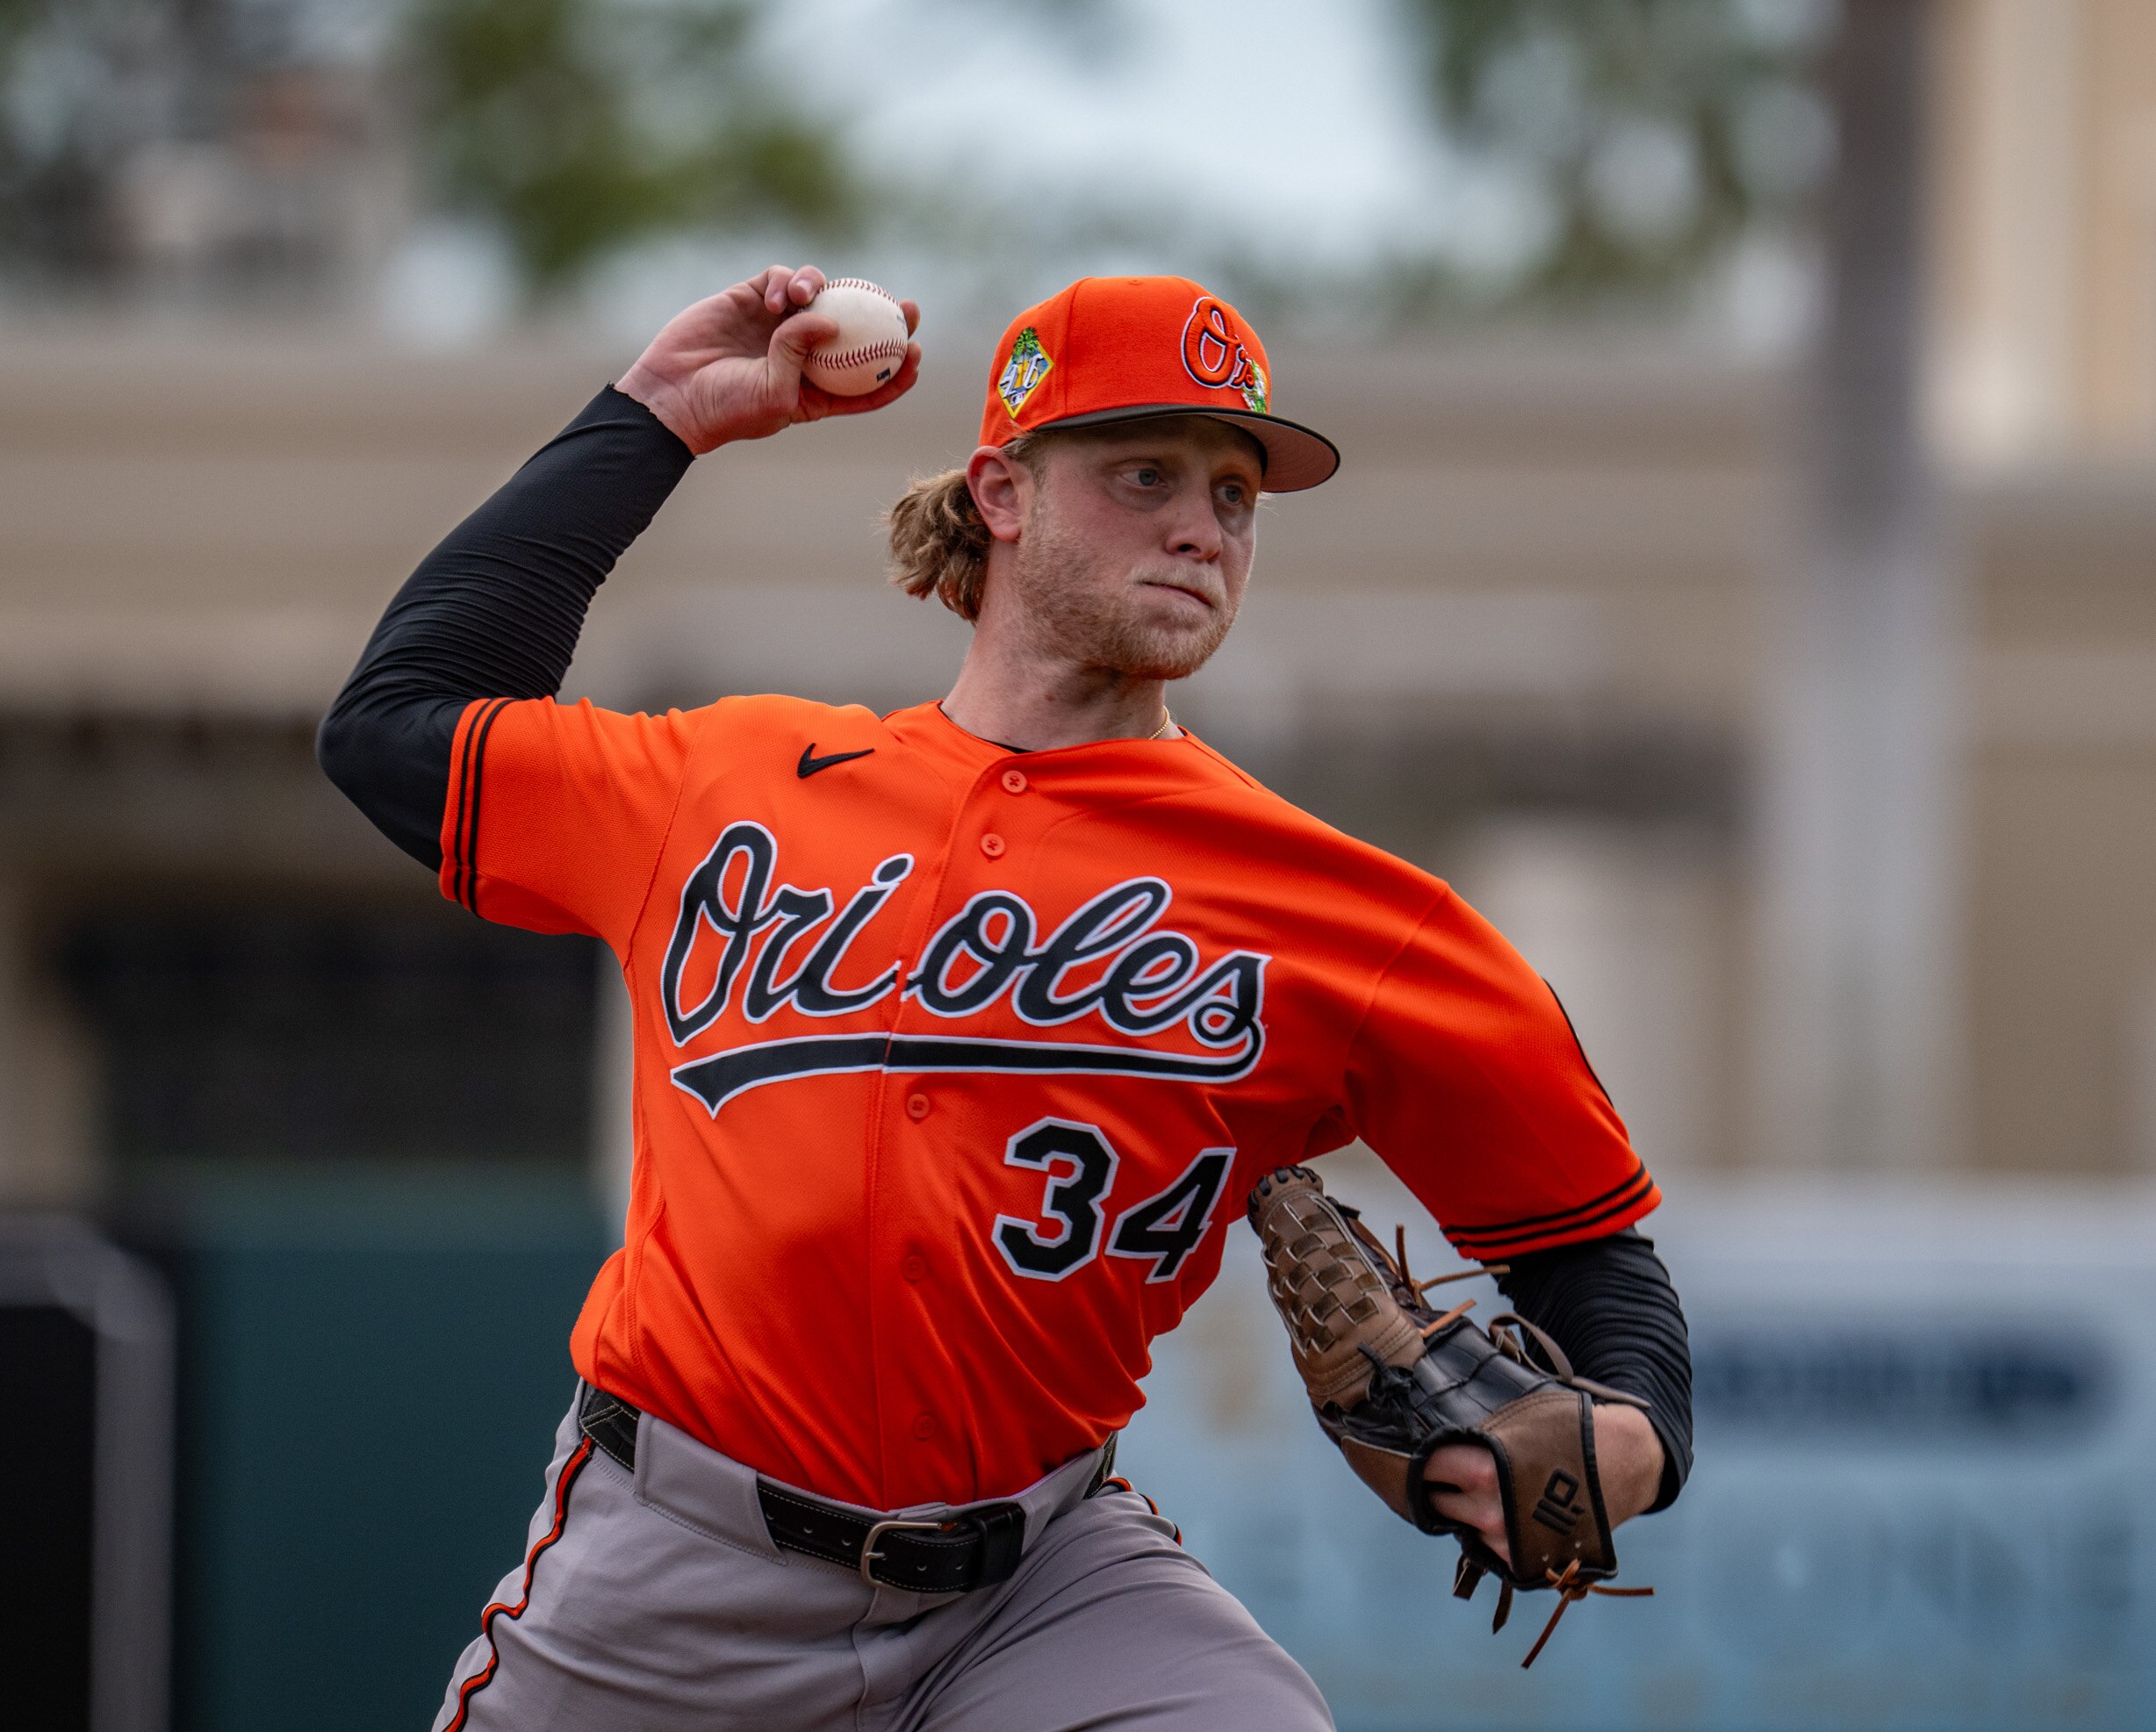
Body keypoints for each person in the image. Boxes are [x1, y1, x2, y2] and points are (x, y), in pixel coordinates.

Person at [320, 265, 1692, 1732]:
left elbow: (1593, 1251)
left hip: (1032, 1587)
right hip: (673, 1570)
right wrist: (651, 420)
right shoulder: (725, 786)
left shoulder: (1352, 916)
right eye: (1145, 471)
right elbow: (397, 728)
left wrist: (1635, 1438)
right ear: (1002, 492)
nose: (1199, 525)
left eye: (1235, 493)